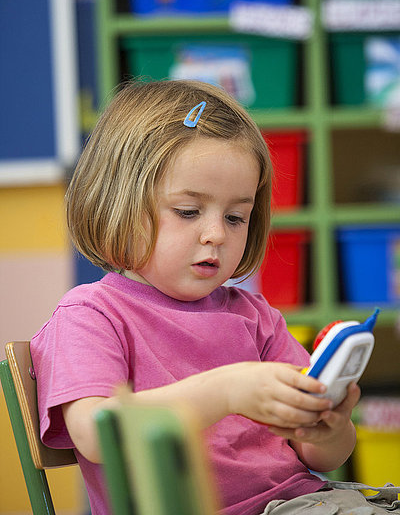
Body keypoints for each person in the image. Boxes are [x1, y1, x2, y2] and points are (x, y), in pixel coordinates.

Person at [31, 80, 398, 515]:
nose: (217, 234)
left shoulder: (256, 315)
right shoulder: (90, 315)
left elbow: (322, 458)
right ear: (118, 205)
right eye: (188, 212)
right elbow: (98, 432)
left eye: (236, 217)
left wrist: (327, 429)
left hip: (303, 500)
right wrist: (224, 393)